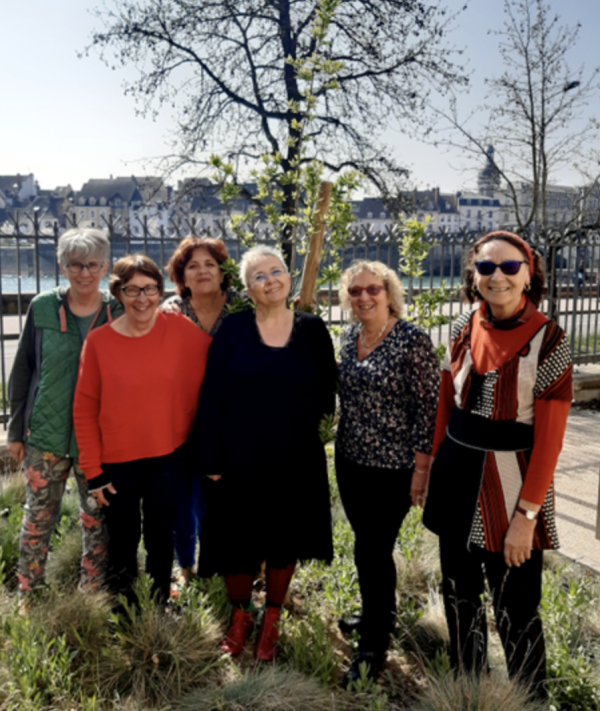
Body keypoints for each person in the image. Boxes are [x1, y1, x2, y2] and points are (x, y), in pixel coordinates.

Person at [423, 231, 573, 701]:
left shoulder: (550, 339)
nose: (497, 277)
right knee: (458, 593)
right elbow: (446, 404)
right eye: (486, 268)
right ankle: (469, 690)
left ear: (530, 274)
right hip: (455, 470)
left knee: (517, 602)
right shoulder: (462, 326)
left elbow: (549, 440)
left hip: (513, 483)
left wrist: (526, 517)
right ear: (473, 274)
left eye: (510, 267)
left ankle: (531, 698)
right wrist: (427, 467)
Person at [193, 244, 337, 661]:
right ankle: (241, 617)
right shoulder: (234, 329)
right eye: (259, 275)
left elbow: (327, 391)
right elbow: (211, 395)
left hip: (294, 457)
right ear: (247, 288)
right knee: (235, 542)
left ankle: (272, 618)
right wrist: (212, 457)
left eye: (276, 271)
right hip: (237, 457)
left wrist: (315, 440)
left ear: (289, 278)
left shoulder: (312, 329)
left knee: (283, 539)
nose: (270, 280)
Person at [73, 254, 212, 605]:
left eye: (150, 289)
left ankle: (158, 605)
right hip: (115, 464)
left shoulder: (179, 329)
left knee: (160, 537)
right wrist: (94, 472)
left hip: (167, 456)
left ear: (158, 291)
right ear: (118, 293)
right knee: (122, 540)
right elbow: (85, 408)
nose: (142, 298)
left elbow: (220, 361)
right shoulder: (100, 342)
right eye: (131, 289)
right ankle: (124, 613)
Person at [335, 260, 440, 684]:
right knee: (366, 545)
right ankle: (376, 614)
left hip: (394, 468)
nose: (364, 297)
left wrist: (421, 469)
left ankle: (374, 646)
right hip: (350, 461)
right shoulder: (349, 336)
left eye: (372, 290)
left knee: (374, 549)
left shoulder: (411, 340)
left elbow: (429, 409)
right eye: (355, 291)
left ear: (389, 292)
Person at [7, 227, 120, 598]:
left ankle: (92, 593)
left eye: (91, 264)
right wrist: (15, 430)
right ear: (62, 266)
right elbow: (23, 369)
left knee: (97, 519)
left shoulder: (116, 310)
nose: (84, 273)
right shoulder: (42, 306)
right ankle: (29, 590)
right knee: (38, 518)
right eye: (75, 265)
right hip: (46, 434)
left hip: (100, 439)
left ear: (105, 267)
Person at [161, 235, 247, 584]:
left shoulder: (243, 308)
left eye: (210, 263)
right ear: (182, 275)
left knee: (229, 499)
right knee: (183, 498)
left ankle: (233, 567)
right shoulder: (170, 311)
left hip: (232, 420)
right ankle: (187, 568)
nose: (201, 271)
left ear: (223, 270)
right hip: (181, 417)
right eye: (192, 265)